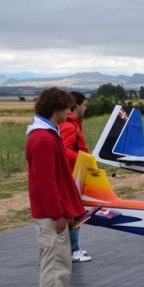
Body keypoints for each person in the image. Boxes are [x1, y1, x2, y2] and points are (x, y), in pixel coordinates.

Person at [26, 87, 87, 287]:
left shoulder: (48, 134)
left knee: (61, 262)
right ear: (56, 109)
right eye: (66, 108)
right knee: (53, 264)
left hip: (56, 211)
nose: (69, 112)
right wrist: (58, 213)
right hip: (51, 215)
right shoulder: (42, 139)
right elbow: (45, 182)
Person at [60, 91, 92, 262]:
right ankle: (73, 250)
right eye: (84, 104)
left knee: (76, 211)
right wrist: (84, 159)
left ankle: (75, 248)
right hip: (73, 175)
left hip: (76, 173)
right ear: (77, 105)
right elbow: (65, 151)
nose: (85, 107)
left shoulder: (74, 125)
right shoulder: (69, 126)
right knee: (74, 212)